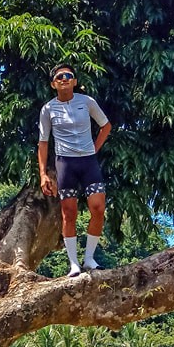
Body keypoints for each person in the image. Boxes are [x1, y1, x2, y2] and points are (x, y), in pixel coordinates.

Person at [37, 65, 111, 275]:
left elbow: (106, 126)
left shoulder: (86, 102)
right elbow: (43, 143)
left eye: (68, 76)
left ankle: (89, 258)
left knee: (98, 208)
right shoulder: (48, 109)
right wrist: (43, 174)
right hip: (65, 163)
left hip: (88, 162)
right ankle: (73, 264)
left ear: (75, 81)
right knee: (69, 214)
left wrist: (94, 149)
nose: (64, 79)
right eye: (59, 77)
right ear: (53, 84)